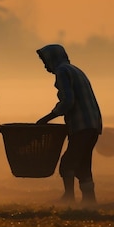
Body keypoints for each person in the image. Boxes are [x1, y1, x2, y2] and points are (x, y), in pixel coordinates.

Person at [36, 44, 102, 205]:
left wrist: (47, 118)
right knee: (84, 166)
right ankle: (89, 201)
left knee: (67, 164)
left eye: (46, 61)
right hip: (93, 124)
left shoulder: (62, 72)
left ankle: (69, 198)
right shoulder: (74, 70)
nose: (45, 66)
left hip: (81, 125)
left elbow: (68, 102)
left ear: (53, 59)